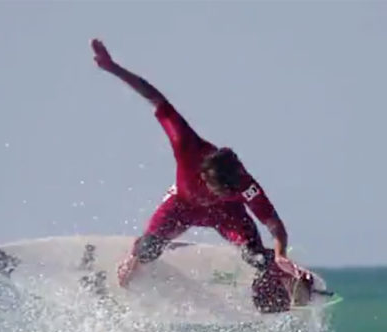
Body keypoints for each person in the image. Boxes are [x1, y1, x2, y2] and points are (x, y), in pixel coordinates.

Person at [91, 38, 312, 313]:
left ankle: (285, 282)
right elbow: (155, 98)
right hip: (182, 205)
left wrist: (280, 253)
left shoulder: (244, 185)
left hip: (228, 215)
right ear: (206, 176)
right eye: (221, 190)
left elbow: (274, 224)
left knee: (257, 257)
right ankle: (134, 260)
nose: (224, 194)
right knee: (148, 248)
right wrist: (113, 68)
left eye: (231, 191)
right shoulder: (187, 146)